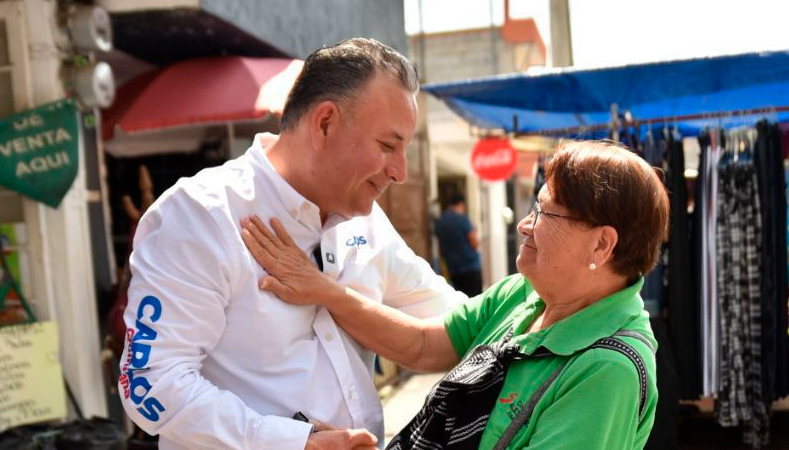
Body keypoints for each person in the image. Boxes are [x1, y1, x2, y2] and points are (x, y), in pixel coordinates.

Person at [117, 37, 467, 450]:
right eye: (388, 146)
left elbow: (454, 320)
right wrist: (293, 442)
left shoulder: (367, 221)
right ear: (325, 124)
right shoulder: (201, 214)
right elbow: (151, 382)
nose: (400, 172)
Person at [242, 140, 669, 449]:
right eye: (533, 207)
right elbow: (424, 345)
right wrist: (323, 290)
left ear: (601, 245)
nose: (525, 224)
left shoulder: (606, 370)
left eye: (546, 212)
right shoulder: (525, 295)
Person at [435, 192, 483, 296]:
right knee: (476, 299)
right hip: (470, 267)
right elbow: (475, 244)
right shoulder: (463, 219)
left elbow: (440, 248)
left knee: (461, 298)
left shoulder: (440, 222)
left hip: (453, 268)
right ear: (461, 204)